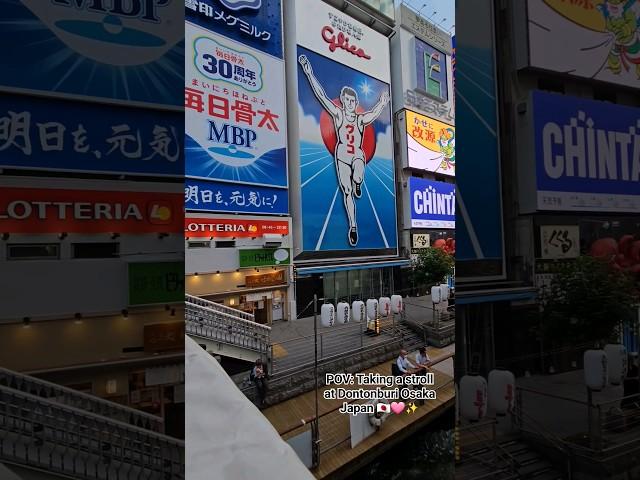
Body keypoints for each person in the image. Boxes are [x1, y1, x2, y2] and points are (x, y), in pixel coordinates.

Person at [298, 54, 390, 247]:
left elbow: (373, 113)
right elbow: (321, 96)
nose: (349, 103)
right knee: (346, 192)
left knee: (358, 171)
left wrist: (383, 102)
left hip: (356, 153)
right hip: (341, 155)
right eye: (346, 100)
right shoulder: (338, 114)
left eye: (352, 101)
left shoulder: (360, 119)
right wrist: (308, 72)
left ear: (355, 103)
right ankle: (353, 226)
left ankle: (359, 182)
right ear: (342, 100)